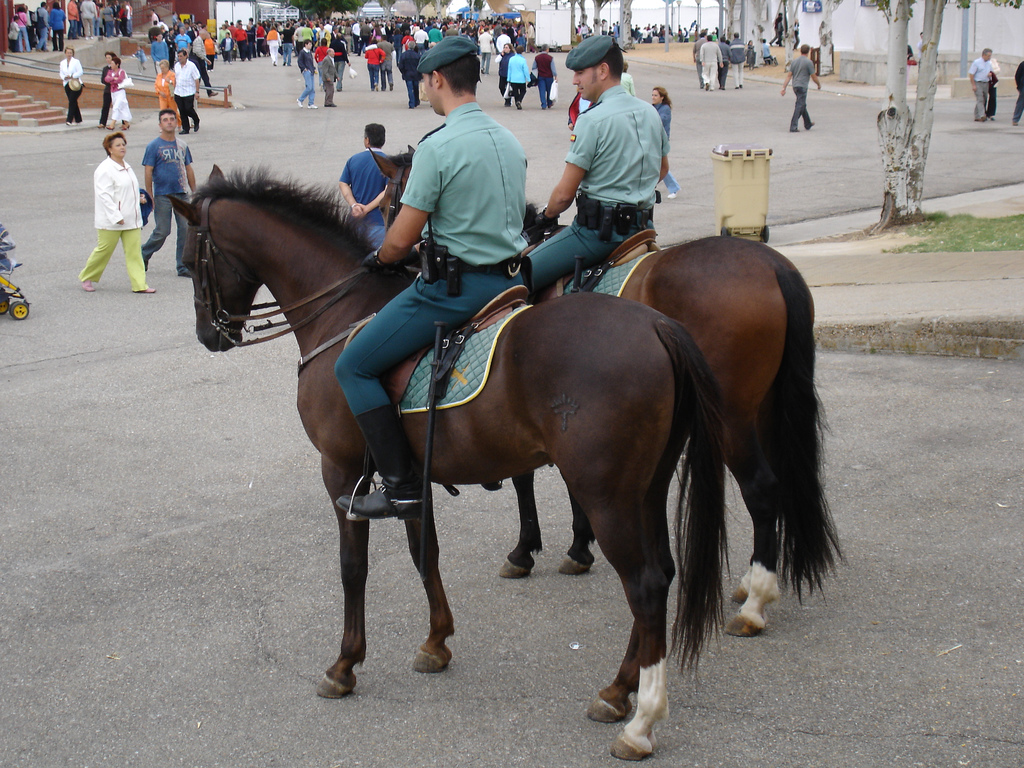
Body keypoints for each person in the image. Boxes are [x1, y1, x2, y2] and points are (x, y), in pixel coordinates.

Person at [334, 36, 527, 521]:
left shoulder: (436, 148)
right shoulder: (509, 138)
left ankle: (401, 486)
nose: (422, 86)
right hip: (511, 281)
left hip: (455, 292)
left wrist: (381, 258)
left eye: (423, 79)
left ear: (437, 79)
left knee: (352, 366)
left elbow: (399, 241)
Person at [525, 35, 668, 293]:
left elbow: (564, 195)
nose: (574, 80)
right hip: (644, 229)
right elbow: (663, 169)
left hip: (597, 237)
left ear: (603, 70)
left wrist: (545, 217)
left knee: (519, 277)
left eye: (580, 72)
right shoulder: (649, 112)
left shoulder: (591, 120)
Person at [79, 132, 154, 294]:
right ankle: (87, 276)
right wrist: (116, 216)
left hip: (132, 220)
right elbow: (104, 195)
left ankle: (140, 284)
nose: (122, 148)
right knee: (104, 250)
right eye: (118, 145)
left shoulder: (126, 167)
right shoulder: (104, 169)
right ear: (109, 149)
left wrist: (139, 198)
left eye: (123, 144)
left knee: (134, 253)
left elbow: (127, 190)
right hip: (111, 221)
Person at [140, 109, 196, 276]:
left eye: (172, 119)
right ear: (160, 124)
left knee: (185, 229)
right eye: (165, 120)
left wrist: (195, 192)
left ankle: (182, 266)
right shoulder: (153, 146)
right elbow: (148, 171)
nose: (169, 122)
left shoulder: (182, 145)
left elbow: (188, 168)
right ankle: (143, 254)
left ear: (177, 122)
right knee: (162, 231)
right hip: (163, 195)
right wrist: (150, 195)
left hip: (181, 193)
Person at [338, 123, 389, 247]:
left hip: (355, 222)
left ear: (367, 140)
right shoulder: (388, 163)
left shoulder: (353, 160)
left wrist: (354, 205)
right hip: (378, 223)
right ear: (383, 140)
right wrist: (367, 208)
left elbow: (343, 183)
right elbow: (388, 191)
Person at [781, 43, 821, 132]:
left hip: (795, 85)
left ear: (800, 51)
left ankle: (808, 123)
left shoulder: (794, 61)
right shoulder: (808, 62)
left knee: (802, 104)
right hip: (802, 86)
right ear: (809, 51)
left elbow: (789, 76)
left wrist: (784, 87)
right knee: (800, 105)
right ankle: (793, 126)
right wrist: (818, 84)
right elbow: (813, 76)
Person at [651, 87, 680, 200]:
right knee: (656, 164)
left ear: (662, 97)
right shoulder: (653, 107)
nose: (653, 97)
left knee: (660, 165)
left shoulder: (665, 109)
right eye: (652, 95)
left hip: (661, 141)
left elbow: (660, 120)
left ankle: (674, 188)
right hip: (653, 140)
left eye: (656, 95)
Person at [173, 48, 201, 132]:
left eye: (181, 56)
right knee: (181, 110)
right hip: (178, 91)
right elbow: (176, 78)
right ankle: (186, 128)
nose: (179, 58)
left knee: (188, 109)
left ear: (186, 56)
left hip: (189, 91)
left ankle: (196, 120)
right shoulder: (176, 65)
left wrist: (197, 92)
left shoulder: (191, 66)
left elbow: (196, 79)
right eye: (178, 56)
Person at [104, 54, 131, 130]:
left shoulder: (121, 71)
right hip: (113, 92)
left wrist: (112, 79)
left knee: (116, 107)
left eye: (112, 63)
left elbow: (120, 80)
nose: (111, 65)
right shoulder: (110, 71)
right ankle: (126, 123)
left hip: (120, 91)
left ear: (117, 64)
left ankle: (112, 124)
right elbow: (106, 79)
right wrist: (114, 78)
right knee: (122, 107)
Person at [60, 47, 84, 125]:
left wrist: (71, 75)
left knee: (72, 101)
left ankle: (69, 120)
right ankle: (78, 119)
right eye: (68, 53)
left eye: (70, 53)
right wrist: (64, 77)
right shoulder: (62, 62)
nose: (69, 54)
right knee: (72, 101)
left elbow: (80, 72)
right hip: (67, 84)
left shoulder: (76, 62)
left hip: (76, 84)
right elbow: (61, 73)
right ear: (65, 53)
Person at [968, 49, 993, 122]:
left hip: (986, 82)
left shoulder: (989, 63)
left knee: (984, 99)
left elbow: (991, 72)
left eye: (990, 56)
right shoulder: (977, 62)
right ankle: (982, 115)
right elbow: (971, 74)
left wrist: (990, 75)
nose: (989, 57)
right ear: (983, 55)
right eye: (988, 56)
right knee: (980, 99)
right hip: (978, 82)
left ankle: (977, 115)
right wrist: (973, 85)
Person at [154, 58, 180, 127]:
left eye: (163, 68)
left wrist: (170, 81)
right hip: (162, 97)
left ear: (167, 67)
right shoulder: (159, 76)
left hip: (171, 96)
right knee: (163, 112)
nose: (162, 70)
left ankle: (179, 124)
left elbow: (175, 84)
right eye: (161, 68)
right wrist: (159, 92)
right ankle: (163, 126)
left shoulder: (172, 75)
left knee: (174, 112)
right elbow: (156, 85)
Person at [532, 44, 556, 109]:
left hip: (540, 76)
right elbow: (553, 68)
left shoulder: (537, 57)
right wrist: (555, 75)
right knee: (549, 90)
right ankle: (549, 103)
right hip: (549, 76)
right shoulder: (550, 58)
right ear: (547, 49)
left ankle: (543, 104)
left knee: (542, 90)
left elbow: (534, 67)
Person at [398, 39, 421, 108]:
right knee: (416, 88)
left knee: (410, 89)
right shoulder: (417, 55)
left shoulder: (403, 55)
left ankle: (411, 103)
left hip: (407, 74)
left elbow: (400, 66)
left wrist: (403, 72)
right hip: (416, 74)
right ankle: (416, 101)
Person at [506, 44, 529, 109]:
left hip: (513, 79)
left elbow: (509, 69)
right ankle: (519, 100)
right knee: (523, 90)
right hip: (521, 79)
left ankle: (517, 102)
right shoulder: (523, 60)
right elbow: (525, 70)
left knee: (515, 92)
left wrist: (508, 78)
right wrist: (528, 78)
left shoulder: (511, 59)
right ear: (522, 52)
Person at [296, 39, 317, 108]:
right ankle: (300, 99)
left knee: (312, 88)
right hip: (306, 71)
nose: (311, 46)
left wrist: (313, 68)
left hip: (311, 71)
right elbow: (299, 61)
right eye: (309, 44)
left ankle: (311, 103)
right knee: (309, 87)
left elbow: (311, 62)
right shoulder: (302, 52)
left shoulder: (309, 52)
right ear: (306, 45)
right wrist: (304, 68)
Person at [986, 53, 1000, 121]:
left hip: (993, 83)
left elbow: (998, 70)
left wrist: (991, 72)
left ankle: (991, 114)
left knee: (993, 97)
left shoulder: (993, 61)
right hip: (985, 82)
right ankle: (982, 113)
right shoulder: (981, 62)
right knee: (983, 98)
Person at [1013, 58, 1024, 126]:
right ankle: (1015, 119)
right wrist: (1019, 86)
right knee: (1020, 103)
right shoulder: (1023, 64)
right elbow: (1017, 75)